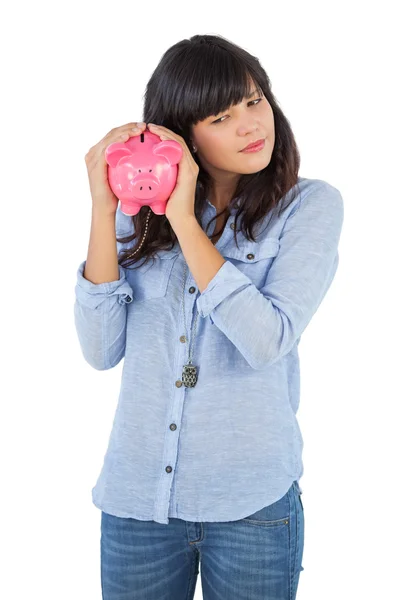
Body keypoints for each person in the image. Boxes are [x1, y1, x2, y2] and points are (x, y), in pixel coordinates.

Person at [74, 33, 343, 600]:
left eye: (255, 101)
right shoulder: (137, 217)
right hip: (138, 505)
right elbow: (100, 350)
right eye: (221, 116)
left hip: (251, 508)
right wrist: (104, 209)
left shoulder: (309, 206)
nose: (251, 125)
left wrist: (188, 225)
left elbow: (267, 340)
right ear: (182, 135)